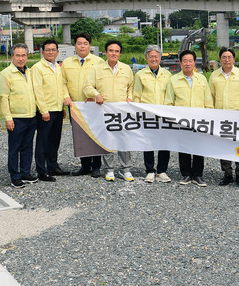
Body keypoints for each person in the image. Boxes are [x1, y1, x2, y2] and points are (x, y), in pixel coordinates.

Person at [84, 39, 135, 181]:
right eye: (111, 51)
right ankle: (109, 169)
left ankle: (126, 170)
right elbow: (87, 86)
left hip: (123, 112)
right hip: (105, 111)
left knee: (124, 140)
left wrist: (130, 97)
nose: (114, 53)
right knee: (108, 140)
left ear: (120, 53)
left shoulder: (126, 69)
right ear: (106, 52)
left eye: (117, 51)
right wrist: (96, 95)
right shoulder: (97, 69)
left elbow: (131, 86)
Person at [165, 49, 213, 187]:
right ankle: (186, 174)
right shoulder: (173, 80)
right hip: (182, 121)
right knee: (184, 148)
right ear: (180, 63)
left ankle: (197, 175)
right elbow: (169, 101)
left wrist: (209, 115)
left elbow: (208, 99)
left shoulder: (202, 79)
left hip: (199, 120)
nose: (187, 63)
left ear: (194, 63)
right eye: (185, 61)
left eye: (190, 61)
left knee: (199, 148)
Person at [60, 33, 105, 177]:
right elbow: (62, 82)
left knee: (96, 135)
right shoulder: (67, 63)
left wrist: (95, 95)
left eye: (85, 43)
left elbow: (102, 82)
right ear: (75, 46)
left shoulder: (99, 62)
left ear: (90, 46)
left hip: (93, 105)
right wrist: (66, 97)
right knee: (80, 136)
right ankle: (85, 165)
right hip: (75, 106)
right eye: (79, 43)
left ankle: (96, 166)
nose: (82, 46)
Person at [0, 43, 38, 189]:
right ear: (12, 56)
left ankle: (25, 173)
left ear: (27, 56)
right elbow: (3, 98)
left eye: (23, 55)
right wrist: (8, 118)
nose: (21, 58)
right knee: (15, 148)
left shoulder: (30, 72)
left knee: (27, 146)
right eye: (18, 55)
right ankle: (14, 176)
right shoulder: (6, 74)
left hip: (31, 116)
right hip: (16, 118)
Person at [209, 47, 239, 186]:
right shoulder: (214, 75)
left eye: (229, 57)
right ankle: (227, 174)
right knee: (223, 146)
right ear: (220, 59)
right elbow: (210, 96)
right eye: (224, 57)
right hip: (221, 117)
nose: (227, 60)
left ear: (234, 59)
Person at [133, 44, 173, 183]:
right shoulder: (140, 75)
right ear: (146, 58)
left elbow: (170, 95)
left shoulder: (167, 75)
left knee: (164, 144)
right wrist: (138, 112)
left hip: (164, 115)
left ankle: (162, 171)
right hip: (147, 115)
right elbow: (136, 95)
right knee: (148, 143)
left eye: (156, 56)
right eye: (151, 57)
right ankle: (150, 170)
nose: (154, 59)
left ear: (160, 58)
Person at [31, 39, 68, 181]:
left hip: (57, 109)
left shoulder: (58, 67)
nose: (51, 52)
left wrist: (62, 107)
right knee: (43, 141)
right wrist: (43, 110)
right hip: (46, 111)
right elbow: (37, 90)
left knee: (54, 140)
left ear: (57, 52)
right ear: (42, 52)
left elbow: (61, 87)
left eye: (53, 50)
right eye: (48, 50)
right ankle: (41, 170)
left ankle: (53, 166)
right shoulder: (38, 68)